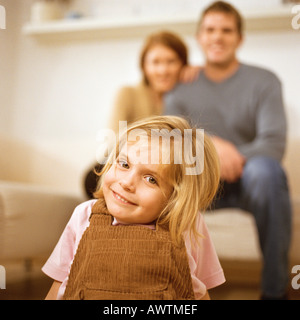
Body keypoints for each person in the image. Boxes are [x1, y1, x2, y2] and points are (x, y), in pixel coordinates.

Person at [164, 1, 292, 300]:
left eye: (226, 30)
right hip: (199, 184)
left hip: (251, 181)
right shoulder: (180, 88)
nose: (217, 37)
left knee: (266, 171)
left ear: (239, 38)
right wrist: (213, 150)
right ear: (199, 37)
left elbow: (272, 143)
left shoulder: (264, 81)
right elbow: (173, 143)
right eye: (210, 30)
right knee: (167, 180)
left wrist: (231, 156)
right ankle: (172, 292)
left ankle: (274, 292)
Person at [43, 115, 225, 300]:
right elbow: (58, 286)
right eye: (124, 164)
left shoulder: (187, 224)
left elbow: (200, 292)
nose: (127, 183)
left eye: (151, 179)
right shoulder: (84, 215)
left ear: (177, 198)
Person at [84, 31, 200, 198]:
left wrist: (201, 77)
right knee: (93, 177)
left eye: (171, 62)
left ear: (183, 65)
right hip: (131, 165)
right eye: (155, 62)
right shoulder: (128, 93)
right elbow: (114, 139)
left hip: (168, 172)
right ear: (144, 67)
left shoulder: (187, 96)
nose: (163, 70)